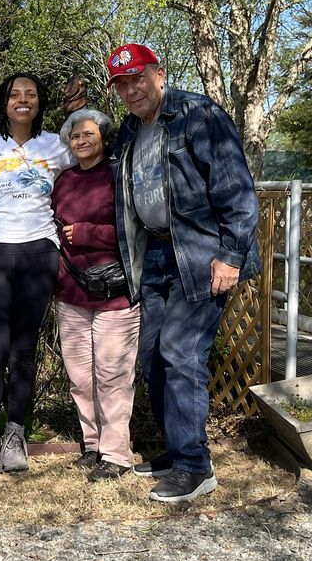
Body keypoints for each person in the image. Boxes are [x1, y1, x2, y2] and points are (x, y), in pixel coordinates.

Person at [109, 43, 261, 503]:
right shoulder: (130, 131)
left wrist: (231, 255)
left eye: (138, 78)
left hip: (199, 255)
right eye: (122, 84)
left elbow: (236, 188)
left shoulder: (199, 115)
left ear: (159, 74)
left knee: (181, 351)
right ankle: (177, 453)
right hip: (153, 255)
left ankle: (196, 467)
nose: (131, 90)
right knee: (153, 355)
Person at [0, 72, 74, 473]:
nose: (22, 100)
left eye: (30, 94)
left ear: (40, 102)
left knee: (24, 349)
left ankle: (15, 432)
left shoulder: (56, 146)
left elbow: (90, 164)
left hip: (40, 251)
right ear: (3, 102)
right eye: (14, 95)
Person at [51, 108, 141, 483]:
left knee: (113, 374)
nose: (82, 141)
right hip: (71, 291)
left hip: (115, 292)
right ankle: (92, 444)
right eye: (75, 136)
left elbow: (136, 228)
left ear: (104, 136)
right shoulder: (64, 179)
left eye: (89, 134)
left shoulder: (120, 176)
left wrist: (88, 233)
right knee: (81, 376)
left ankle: (117, 453)